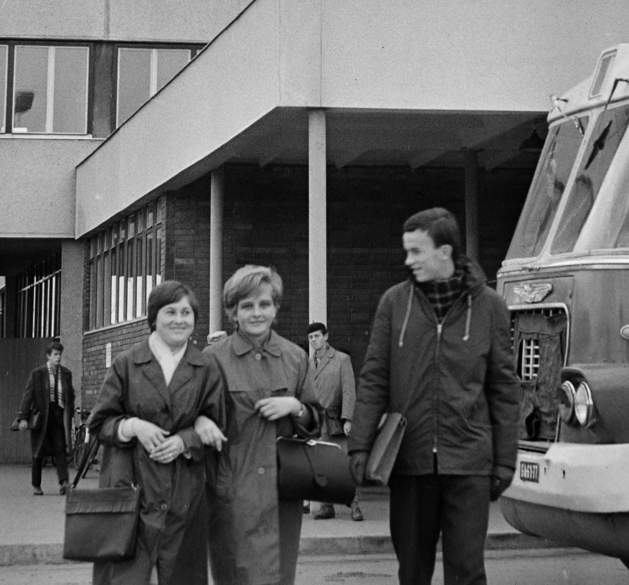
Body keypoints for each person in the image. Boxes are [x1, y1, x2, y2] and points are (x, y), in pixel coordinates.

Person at [350, 208, 520, 585]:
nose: (408, 261)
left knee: (467, 572)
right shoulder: (394, 303)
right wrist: (359, 447)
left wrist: (505, 460)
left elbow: (504, 389)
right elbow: (375, 377)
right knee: (412, 572)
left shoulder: (490, 307)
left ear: (445, 251)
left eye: (416, 251)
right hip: (410, 462)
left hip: (469, 464)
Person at [84, 279, 227, 584]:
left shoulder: (206, 367)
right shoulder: (127, 364)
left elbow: (218, 425)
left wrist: (186, 440)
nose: (179, 320)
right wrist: (133, 426)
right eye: (170, 311)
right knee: (124, 576)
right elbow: (99, 423)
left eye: (186, 313)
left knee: (183, 575)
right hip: (130, 485)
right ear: (154, 317)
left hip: (185, 490)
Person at [206, 264, 322, 585]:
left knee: (279, 576)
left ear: (276, 308)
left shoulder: (295, 357)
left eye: (264, 304)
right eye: (247, 306)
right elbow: (197, 420)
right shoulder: (213, 359)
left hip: (281, 493)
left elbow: (316, 421)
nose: (257, 313)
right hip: (233, 491)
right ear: (233, 312)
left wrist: (296, 407)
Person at [305, 322, 363, 523]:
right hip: (316, 422)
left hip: (335, 420)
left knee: (343, 464)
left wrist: (348, 419)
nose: (314, 340)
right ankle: (327, 505)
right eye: (311, 337)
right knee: (320, 465)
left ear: (326, 336)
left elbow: (349, 391)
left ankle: (354, 504)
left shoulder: (341, 359)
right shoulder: (308, 362)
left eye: (317, 336)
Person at [16, 341, 76, 495]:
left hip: (58, 416)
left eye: (60, 354)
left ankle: (64, 482)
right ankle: (36, 484)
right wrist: (23, 418)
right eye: (55, 354)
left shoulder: (66, 374)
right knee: (38, 451)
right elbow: (28, 396)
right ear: (48, 356)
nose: (58, 357)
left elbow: (70, 396)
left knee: (60, 449)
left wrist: (70, 413)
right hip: (42, 417)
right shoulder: (38, 373)